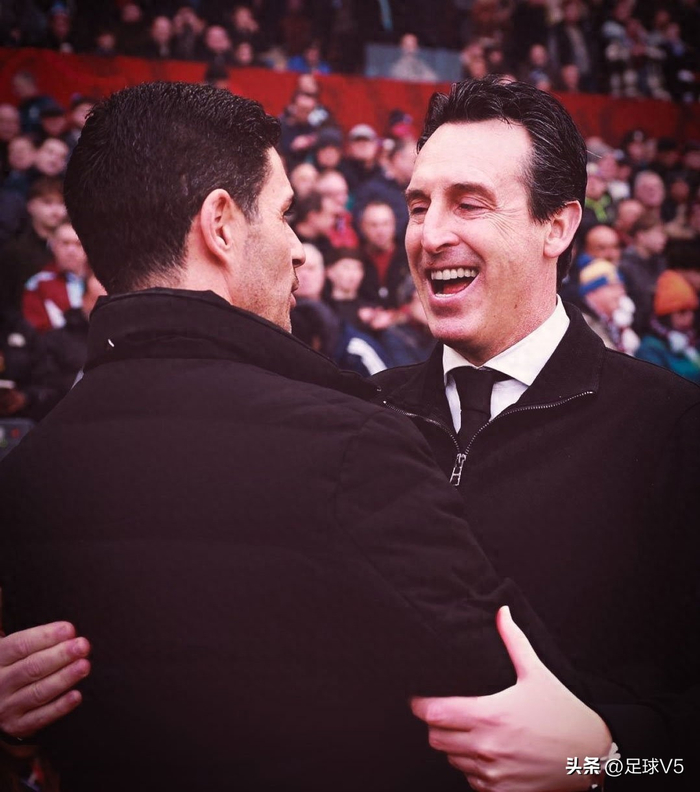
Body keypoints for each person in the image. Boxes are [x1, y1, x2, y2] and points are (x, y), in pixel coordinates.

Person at [0, 81, 603, 792]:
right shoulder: (352, 446)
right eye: (284, 214)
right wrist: (609, 761)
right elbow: (533, 711)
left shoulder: (28, 472)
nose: (299, 251)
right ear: (221, 225)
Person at [373, 76, 699, 790]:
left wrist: (605, 759)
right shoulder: (362, 415)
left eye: (469, 204)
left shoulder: (673, 428)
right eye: (419, 206)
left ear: (558, 226)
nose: (430, 235)